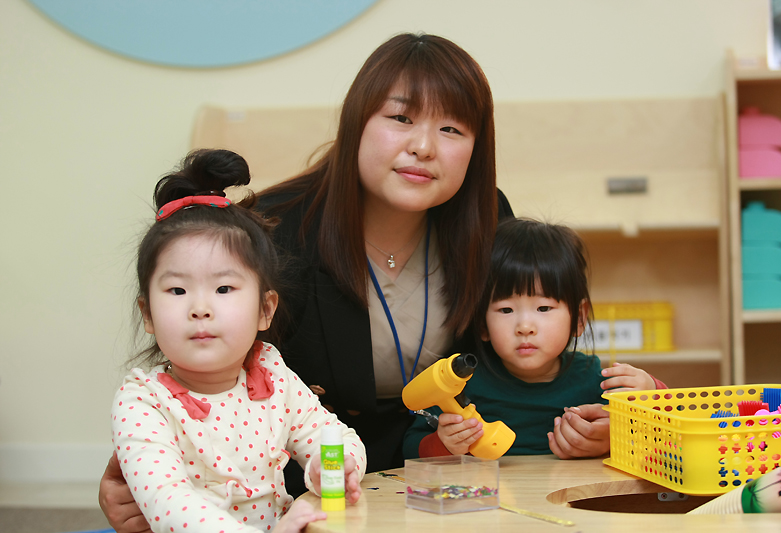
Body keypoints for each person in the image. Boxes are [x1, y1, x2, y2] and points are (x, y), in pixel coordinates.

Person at [100, 32, 515, 532]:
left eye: (452, 128)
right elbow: (200, 377)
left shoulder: (489, 220)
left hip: (441, 473)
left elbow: (516, 354)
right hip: (302, 496)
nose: (423, 146)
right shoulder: (272, 230)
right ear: (357, 122)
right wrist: (147, 479)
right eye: (401, 118)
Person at [111, 149, 365, 533]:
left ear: (266, 310)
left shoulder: (272, 376)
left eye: (224, 288)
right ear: (147, 313)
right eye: (177, 290)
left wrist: (333, 466)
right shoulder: (142, 403)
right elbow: (170, 505)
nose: (200, 308)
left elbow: (334, 436)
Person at [403, 218, 667, 460]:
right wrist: (445, 444)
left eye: (543, 308)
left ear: (578, 318)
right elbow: (410, 450)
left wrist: (651, 393)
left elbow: (668, 437)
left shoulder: (596, 379)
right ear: (482, 325)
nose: (525, 326)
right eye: (506, 310)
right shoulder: (460, 386)